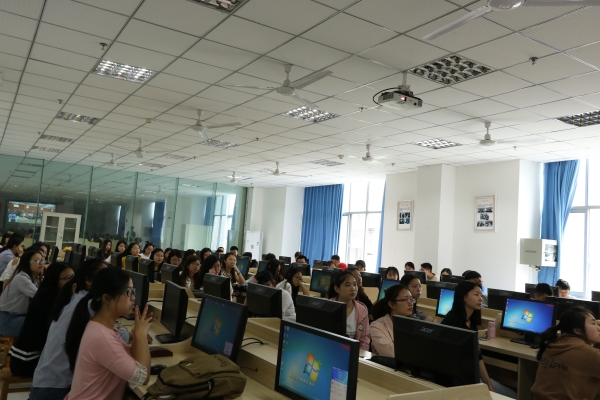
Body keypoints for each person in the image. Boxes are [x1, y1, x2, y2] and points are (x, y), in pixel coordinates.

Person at [64, 268, 152, 399]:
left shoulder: (101, 327)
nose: (133, 297)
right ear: (106, 298)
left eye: (133, 291)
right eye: (128, 292)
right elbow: (143, 377)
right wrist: (141, 334)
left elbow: (134, 358)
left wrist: (137, 333)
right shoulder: (102, 337)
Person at [30, 259, 106, 400]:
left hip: (45, 381)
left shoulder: (76, 298)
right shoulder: (88, 306)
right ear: (89, 281)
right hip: (56, 388)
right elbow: (107, 338)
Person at [9, 262, 74, 377]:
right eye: (68, 278)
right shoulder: (51, 297)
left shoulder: (47, 292)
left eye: (73, 277)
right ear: (54, 280)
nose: (73, 282)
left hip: (21, 358)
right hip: (27, 362)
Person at [531, 307, 600, 399]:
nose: (598, 328)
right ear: (577, 330)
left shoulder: (552, 344)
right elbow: (590, 356)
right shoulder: (590, 355)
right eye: (593, 323)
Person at [441, 281, 495, 392]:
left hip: (469, 376)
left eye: (481, 295)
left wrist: (488, 384)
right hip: (457, 381)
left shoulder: (471, 323)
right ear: (463, 297)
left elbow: (477, 355)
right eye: (476, 295)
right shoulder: (453, 322)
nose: (480, 299)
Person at [0, 249, 44, 336]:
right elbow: (41, 297)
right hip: (7, 321)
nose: (41, 263)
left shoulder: (35, 278)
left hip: (18, 317)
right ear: (27, 263)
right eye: (36, 261)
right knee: (43, 323)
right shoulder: (22, 278)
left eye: (42, 260)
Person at [327, 270, 370, 350]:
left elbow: (364, 339)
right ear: (337, 289)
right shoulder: (328, 306)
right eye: (347, 285)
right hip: (330, 350)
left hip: (354, 353)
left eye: (355, 285)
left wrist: (357, 355)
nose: (353, 289)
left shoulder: (362, 309)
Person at [370, 284, 414, 357]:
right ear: (392, 304)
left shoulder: (412, 324)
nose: (411, 303)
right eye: (405, 300)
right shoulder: (376, 326)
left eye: (411, 299)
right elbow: (391, 353)